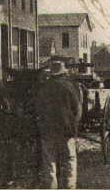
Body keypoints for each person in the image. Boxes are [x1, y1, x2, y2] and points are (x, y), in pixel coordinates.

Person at [34, 61, 82, 189]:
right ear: (63, 73)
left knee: (49, 165)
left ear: (51, 74)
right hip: (67, 132)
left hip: (47, 132)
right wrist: (74, 126)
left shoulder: (43, 88)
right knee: (69, 163)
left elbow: (37, 110)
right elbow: (77, 110)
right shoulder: (70, 87)